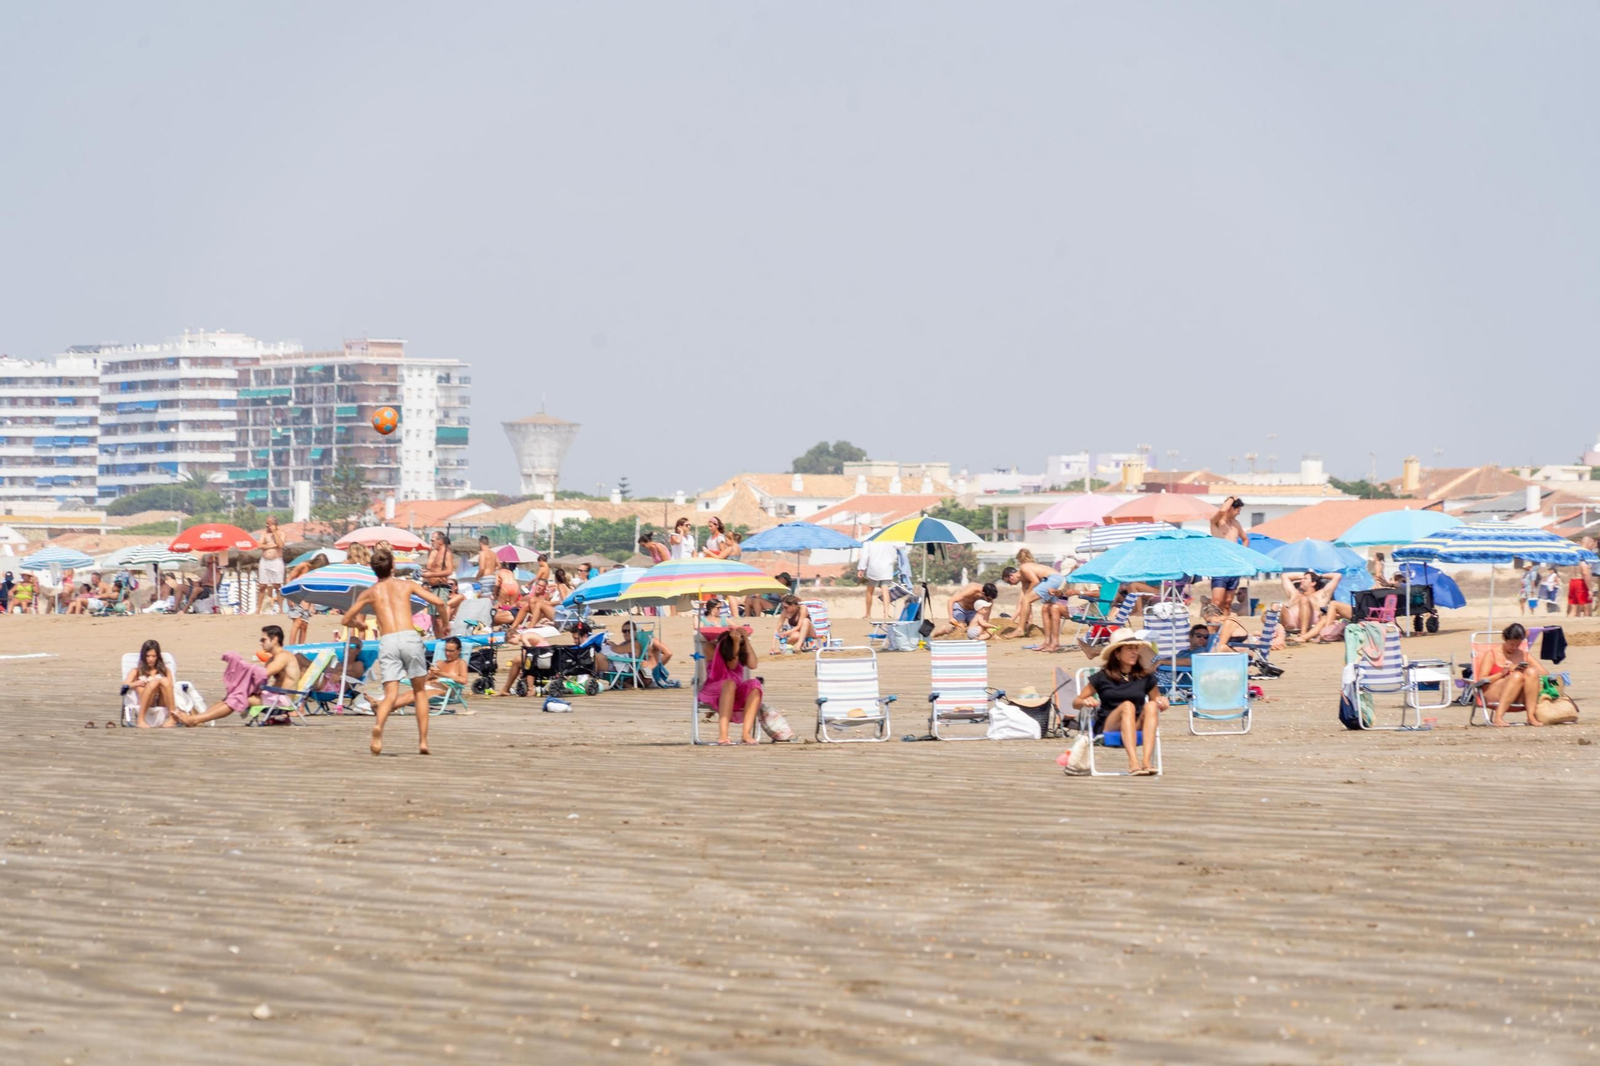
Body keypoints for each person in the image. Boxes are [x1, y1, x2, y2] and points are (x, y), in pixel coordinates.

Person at [340, 546, 447, 754]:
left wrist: (360, 626)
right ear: (393, 567)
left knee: (390, 694)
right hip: (408, 637)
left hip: (388, 640)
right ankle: (423, 742)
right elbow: (439, 601)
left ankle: (379, 726)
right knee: (419, 691)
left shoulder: (370, 592)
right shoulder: (406, 585)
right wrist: (444, 622)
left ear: (374, 570)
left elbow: (345, 620)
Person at [1071, 630, 1167, 775]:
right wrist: (1085, 701)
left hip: (1136, 723)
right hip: (1109, 725)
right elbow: (1076, 702)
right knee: (1127, 706)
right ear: (1117, 653)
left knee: (1152, 705)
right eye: (1129, 648)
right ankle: (1133, 762)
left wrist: (1162, 702)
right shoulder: (1102, 677)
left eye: (1136, 648)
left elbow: (1156, 700)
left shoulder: (1145, 676)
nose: (1134, 652)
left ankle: (1146, 762)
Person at [1476, 622, 1546, 728]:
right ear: (1504, 638)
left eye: (1518, 644)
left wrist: (1527, 669)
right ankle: (1498, 717)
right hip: (1493, 692)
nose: (1514, 647)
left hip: (1518, 694)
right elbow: (1481, 680)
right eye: (1512, 644)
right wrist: (1503, 673)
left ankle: (1531, 716)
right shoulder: (1492, 654)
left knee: (1531, 672)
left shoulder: (1523, 655)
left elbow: (1545, 673)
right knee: (1516, 676)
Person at [702, 627, 763, 745]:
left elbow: (753, 664)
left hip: (735, 689)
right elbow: (731, 665)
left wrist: (745, 641)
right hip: (715, 687)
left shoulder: (740, 649)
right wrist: (734, 643)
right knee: (730, 684)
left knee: (755, 685)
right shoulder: (710, 647)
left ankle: (746, 734)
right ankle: (723, 735)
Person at [391, 636, 470, 712]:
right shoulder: (439, 662)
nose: (447, 653)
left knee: (415, 696)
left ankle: (385, 708)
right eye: (446, 650)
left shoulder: (461, 663)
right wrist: (430, 675)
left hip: (443, 690)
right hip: (427, 685)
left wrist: (442, 674)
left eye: (451, 651)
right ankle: (385, 706)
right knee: (407, 695)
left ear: (459, 650)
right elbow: (424, 680)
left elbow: (464, 680)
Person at [999, 552, 1058, 638]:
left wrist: (1011, 621)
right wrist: (1024, 621)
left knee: (1027, 600)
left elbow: (1035, 582)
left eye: (1008, 582)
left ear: (1011, 576)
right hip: (1056, 579)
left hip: (1052, 579)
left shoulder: (1024, 568)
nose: (1010, 585)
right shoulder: (1027, 575)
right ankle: (1052, 632)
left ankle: (1020, 629)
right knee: (1049, 606)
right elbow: (1022, 605)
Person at [1208, 497, 1250, 613]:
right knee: (1217, 602)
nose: (1239, 513)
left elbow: (1245, 539)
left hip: (1234, 566)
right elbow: (1221, 511)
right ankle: (1212, 627)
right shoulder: (1216, 522)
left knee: (1227, 602)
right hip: (1220, 566)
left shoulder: (1236, 524)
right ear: (1231, 508)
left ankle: (1224, 627)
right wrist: (1231, 498)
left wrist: (1242, 554)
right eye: (1237, 510)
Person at [125, 639, 177, 728]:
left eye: (153, 656)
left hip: (161, 701)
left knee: (164, 681)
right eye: (148, 656)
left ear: (158, 657)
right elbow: (125, 685)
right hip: (147, 702)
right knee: (153, 684)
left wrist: (159, 682)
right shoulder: (137, 671)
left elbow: (171, 686)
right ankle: (140, 719)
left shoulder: (164, 670)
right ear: (143, 656)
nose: (150, 659)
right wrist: (137, 683)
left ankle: (172, 719)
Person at [283, 553, 329, 645]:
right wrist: (289, 597)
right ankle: (292, 646)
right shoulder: (303, 566)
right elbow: (289, 579)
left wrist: (312, 604)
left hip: (306, 598)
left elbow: (312, 588)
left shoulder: (316, 573)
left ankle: (301, 647)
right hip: (295, 594)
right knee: (297, 622)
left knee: (304, 625)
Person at [929, 582, 999, 640]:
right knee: (960, 629)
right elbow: (951, 600)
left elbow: (986, 617)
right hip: (960, 607)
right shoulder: (972, 590)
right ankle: (943, 630)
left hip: (972, 611)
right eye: (988, 599)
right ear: (983, 593)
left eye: (991, 599)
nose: (989, 601)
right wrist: (951, 617)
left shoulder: (989, 598)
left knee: (975, 630)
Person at [857, 539, 898, 620]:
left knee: (869, 591)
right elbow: (895, 553)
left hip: (873, 568)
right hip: (887, 568)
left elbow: (865, 555)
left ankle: (868, 613)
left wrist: (861, 568)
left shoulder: (869, 539)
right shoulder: (889, 538)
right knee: (885, 590)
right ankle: (886, 614)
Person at [258, 515, 286, 614]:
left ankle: (281, 609)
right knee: (262, 585)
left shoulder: (281, 533)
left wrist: (274, 532)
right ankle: (258, 609)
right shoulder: (264, 533)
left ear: (273, 524)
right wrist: (270, 545)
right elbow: (259, 545)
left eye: (268, 523)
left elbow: (281, 545)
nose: (266, 525)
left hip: (276, 561)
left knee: (277, 585)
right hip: (265, 561)